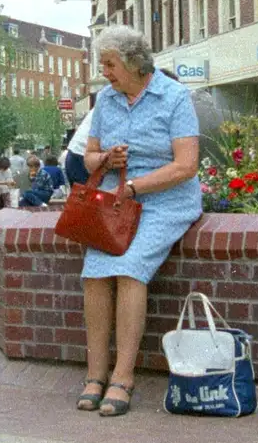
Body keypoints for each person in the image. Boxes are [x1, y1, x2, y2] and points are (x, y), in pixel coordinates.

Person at [74, 26, 201, 418]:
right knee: (94, 273)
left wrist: (134, 187)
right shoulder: (106, 102)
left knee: (130, 270)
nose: (105, 72)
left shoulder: (175, 97)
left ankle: (123, 377)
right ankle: (95, 374)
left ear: (133, 62)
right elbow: (88, 157)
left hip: (165, 200)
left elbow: (186, 165)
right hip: (116, 201)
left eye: (110, 64)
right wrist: (105, 159)